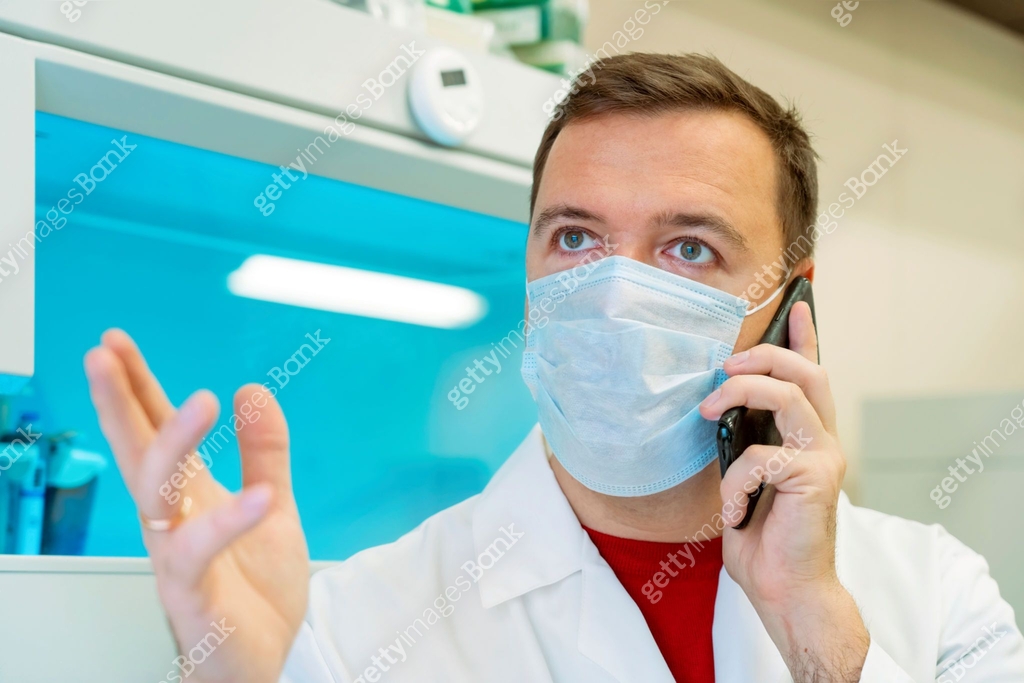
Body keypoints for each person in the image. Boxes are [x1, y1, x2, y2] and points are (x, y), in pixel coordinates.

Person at [83, 53, 1023, 683]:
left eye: (689, 248)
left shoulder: (936, 595)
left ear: (792, 300)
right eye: (576, 238)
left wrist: (816, 623)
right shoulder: (358, 622)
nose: (614, 295)